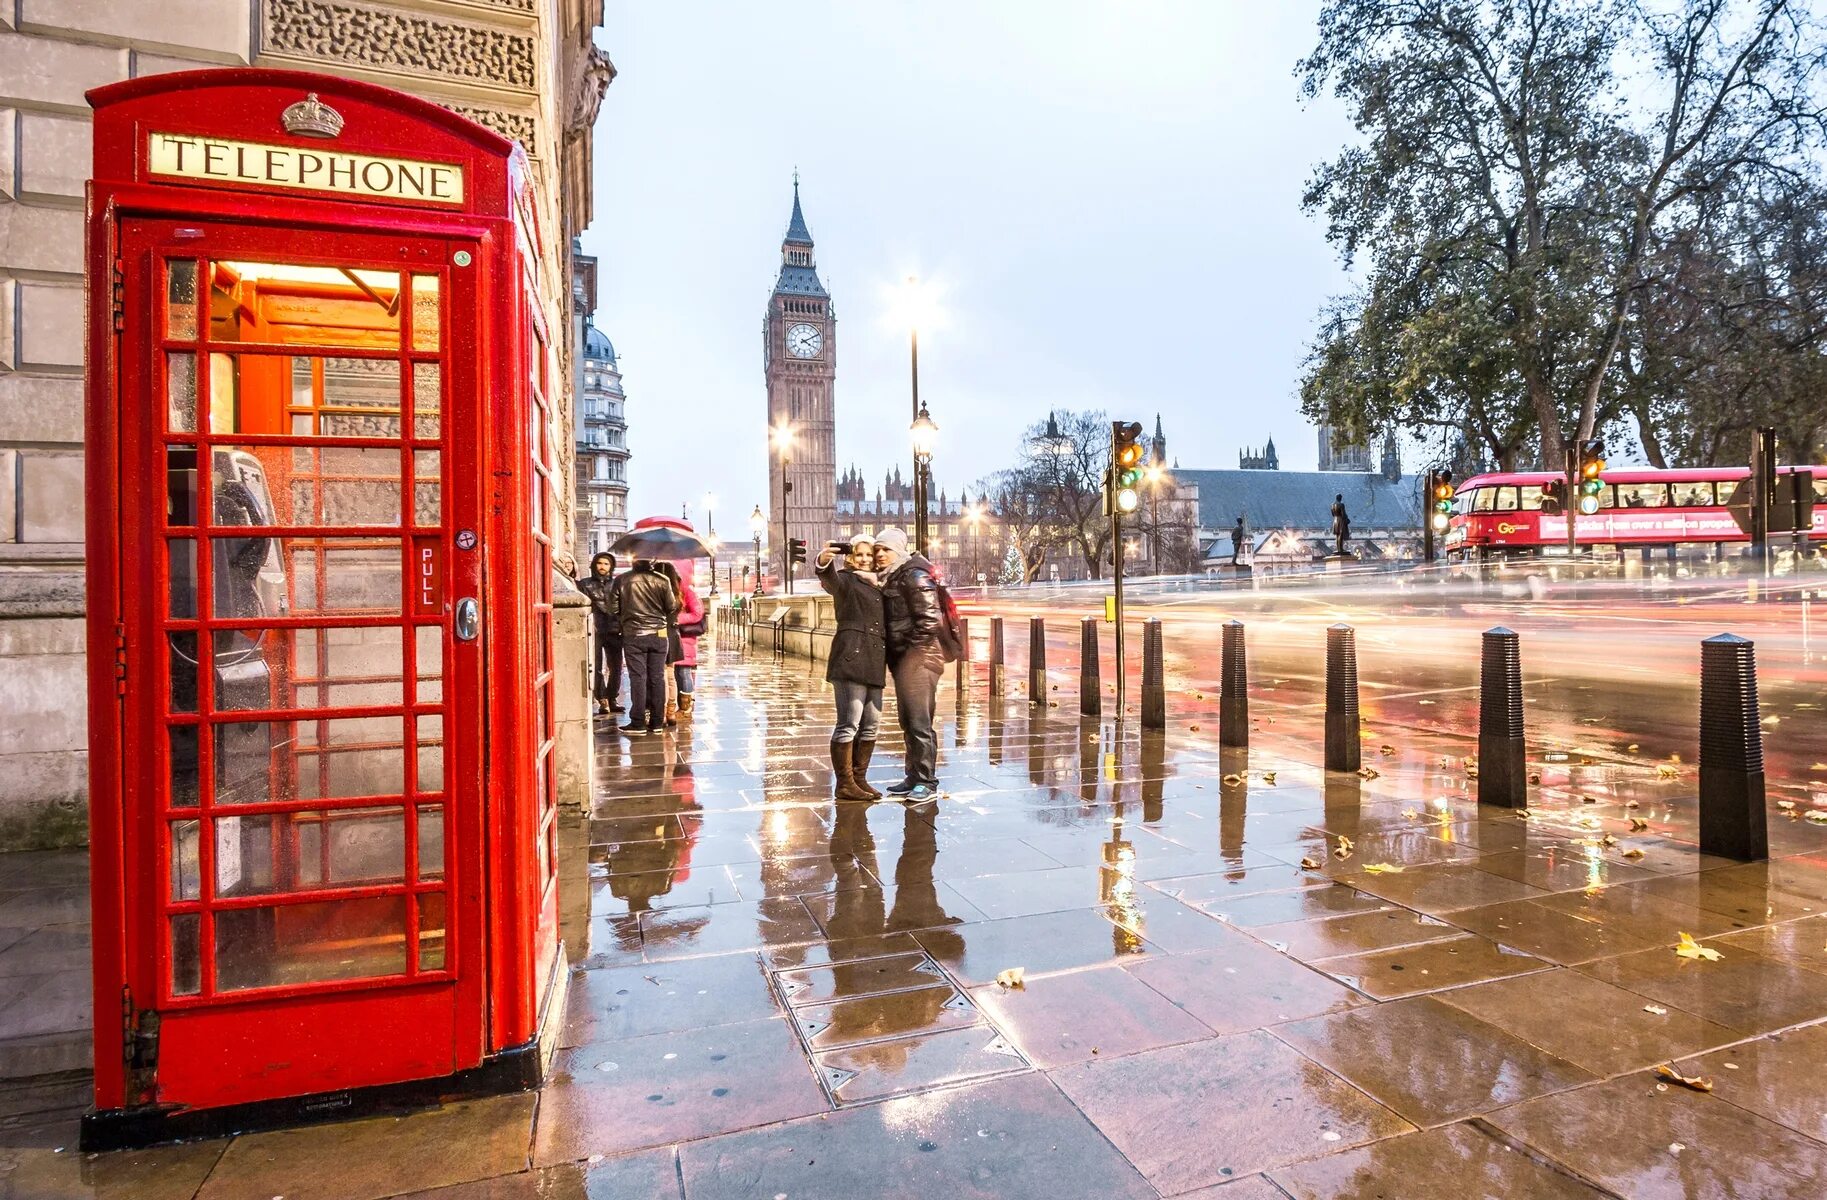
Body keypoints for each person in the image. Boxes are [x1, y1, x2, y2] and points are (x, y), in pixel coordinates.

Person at [874, 526, 944, 799]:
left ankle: (926, 782)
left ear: (898, 551)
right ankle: (913, 776)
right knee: (908, 721)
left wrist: (911, 655)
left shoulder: (913, 575)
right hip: (906, 661)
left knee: (919, 723)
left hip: (919, 660)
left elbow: (929, 620)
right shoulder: (895, 576)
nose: (880, 554)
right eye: (877, 549)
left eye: (886, 549)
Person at [817, 533, 887, 800]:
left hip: (874, 659)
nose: (866, 559)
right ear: (850, 557)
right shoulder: (846, 580)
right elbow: (828, 578)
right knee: (849, 723)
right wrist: (824, 560)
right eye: (860, 555)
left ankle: (859, 779)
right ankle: (844, 783)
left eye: (869, 555)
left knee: (871, 724)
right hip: (851, 655)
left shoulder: (881, 584)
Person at [611, 557, 678, 735]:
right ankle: (657, 722)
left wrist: (627, 618)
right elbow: (671, 606)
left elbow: (613, 608)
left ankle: (638, 722)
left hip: (633, 635)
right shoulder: (662, 580)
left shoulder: (622, 579)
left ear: (633, 560)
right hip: (658, 635)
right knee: (657, 677)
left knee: (638, 678)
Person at [575, 552, 623, 716]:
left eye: (606, 564)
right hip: (595, 629)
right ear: (594, 565)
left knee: (616, 667)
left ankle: (612, 698)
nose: (602, 566)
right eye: (599, 563)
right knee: (596, 666)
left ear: (611, 567)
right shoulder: (584, 584)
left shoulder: (618, 584)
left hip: (615, 629)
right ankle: (602, 698)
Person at [672, 565, 705, 717]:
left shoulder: (687, 591)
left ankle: (686, 707)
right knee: (674, 673)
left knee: (684, 672)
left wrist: (678, 619)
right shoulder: (668, 590)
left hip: (685, 637)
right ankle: (678, 705)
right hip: (671, 636)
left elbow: (698, 613)